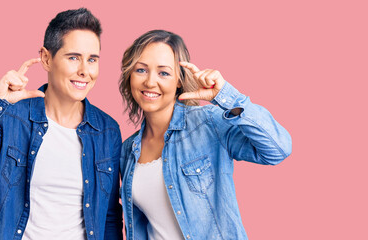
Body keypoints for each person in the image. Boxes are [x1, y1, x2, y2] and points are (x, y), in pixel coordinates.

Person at [0, 8, 122, 240]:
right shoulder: (13, 117)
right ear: (46, 58)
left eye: (92, 59)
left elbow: (109, 217)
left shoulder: (107, 131)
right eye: (73, 57)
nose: (85, 71)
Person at [119, 30, 292, 240]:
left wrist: (226, 96)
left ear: (179, 80)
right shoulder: (128, 151)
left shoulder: (208, 123)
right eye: (141, 70)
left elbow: (278, 149)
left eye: (163, 73)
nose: (150, 82)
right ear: (130, 75)